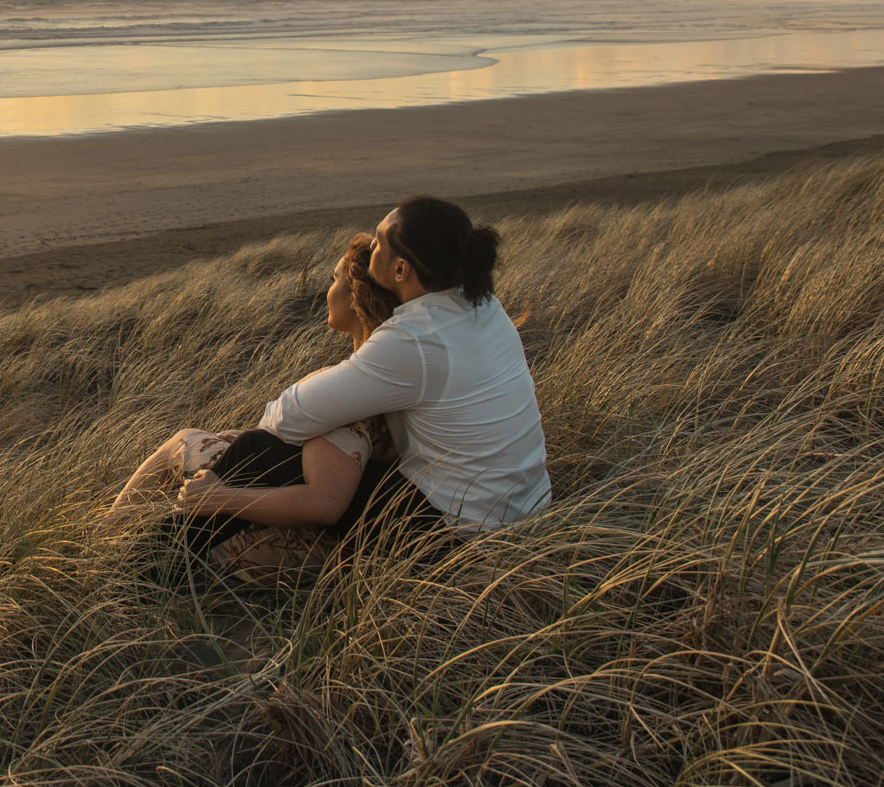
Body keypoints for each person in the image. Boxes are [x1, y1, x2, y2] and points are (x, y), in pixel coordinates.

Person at [109, 196, 552, 582]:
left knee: (257, 450)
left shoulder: (413, 341)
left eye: (380, 239)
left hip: (457, 539)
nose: (373, 243)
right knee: (267, 450)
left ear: (402, 269)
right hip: (525, 512)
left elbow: (290, 415)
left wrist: (249, 452)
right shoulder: (481, 304)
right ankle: (155, 560)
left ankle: (141, 571)